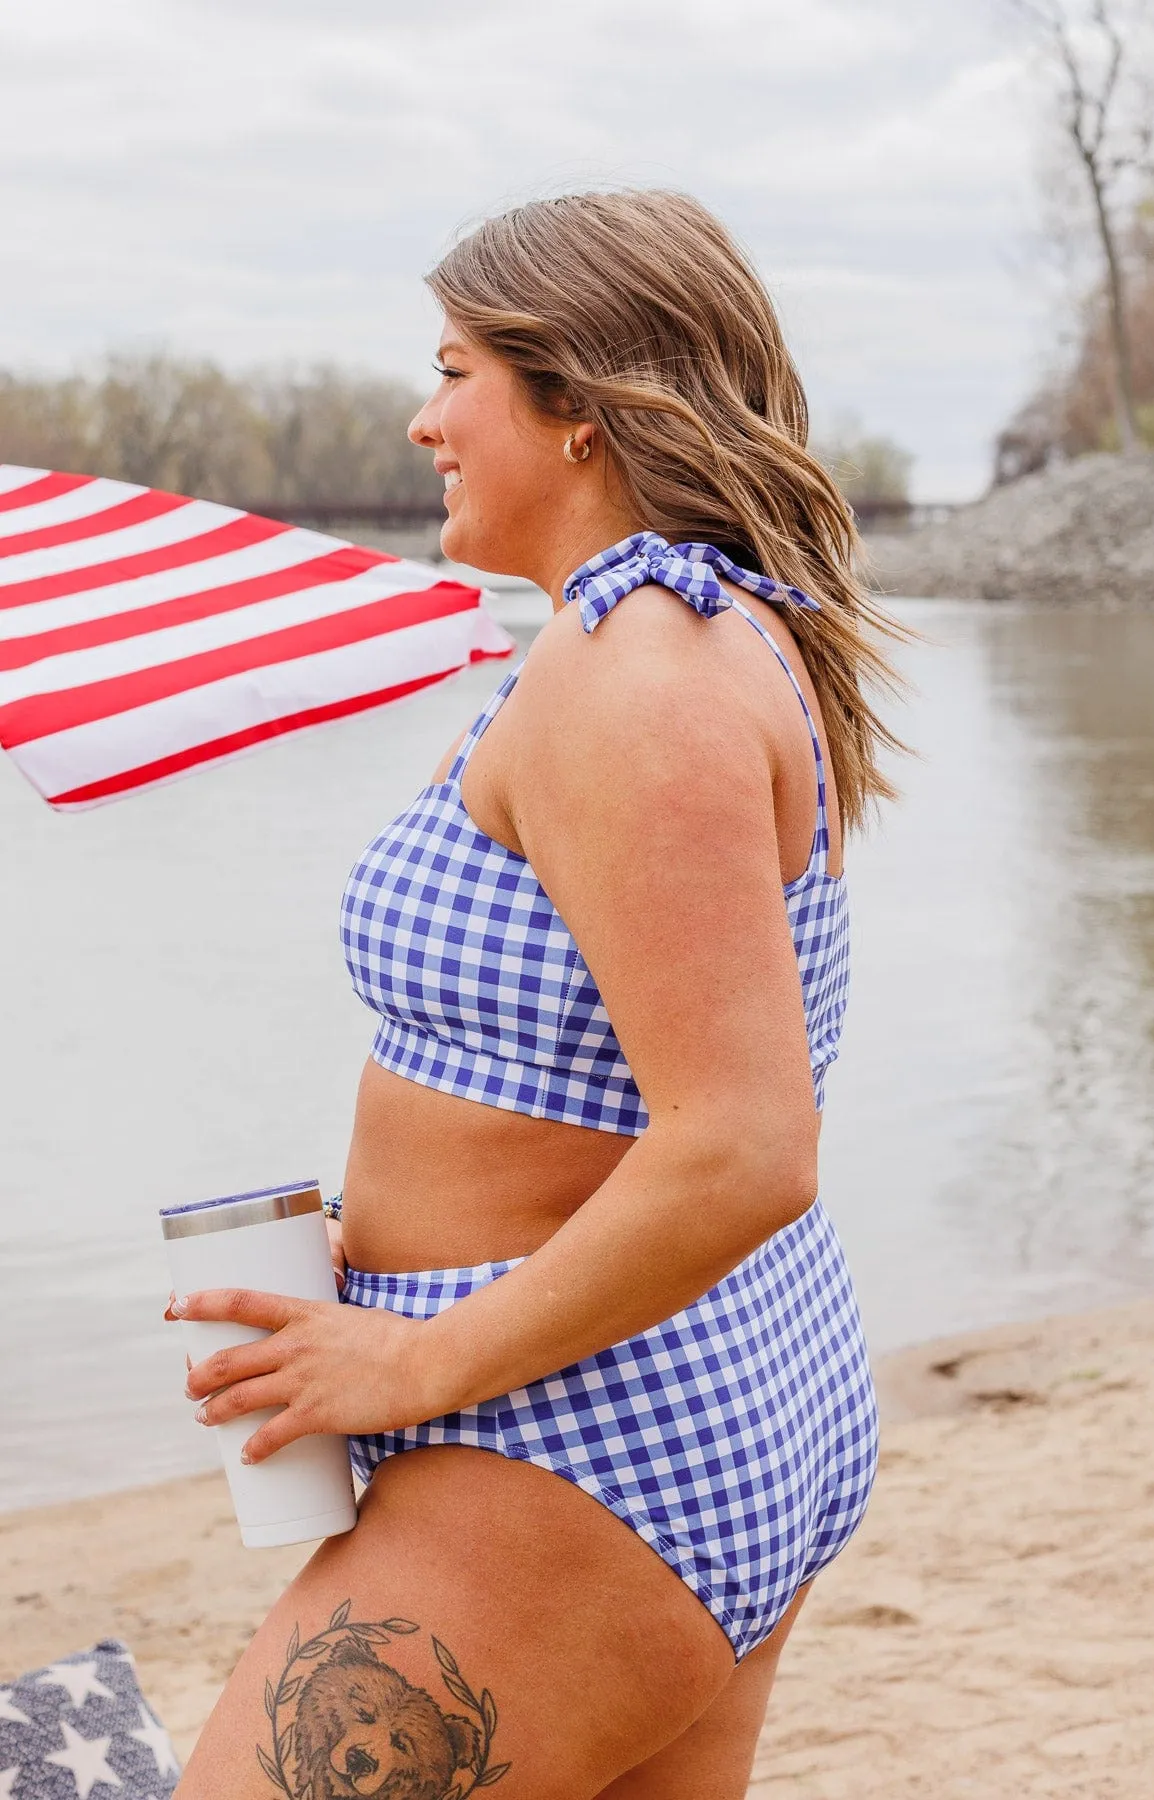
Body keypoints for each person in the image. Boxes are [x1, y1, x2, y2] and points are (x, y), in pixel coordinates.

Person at [171, 189, 906, 1800]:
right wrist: (388, 1263)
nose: (421, 420)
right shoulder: (675, 634)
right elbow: (605, 1080)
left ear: (576, 405)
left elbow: (744, 1145)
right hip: (689, 1393)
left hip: (579, 1433)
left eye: (455, 373)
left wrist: (413, 1362)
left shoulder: (637, 676)